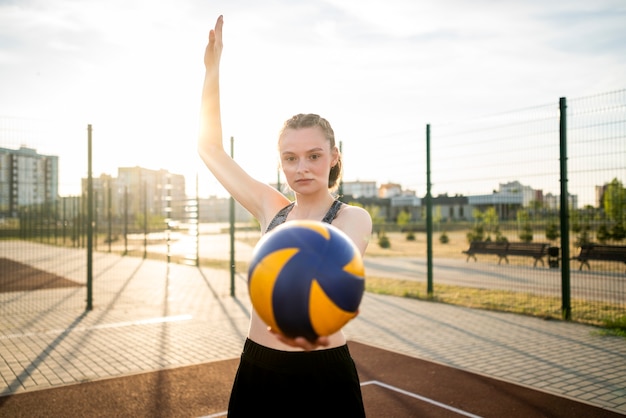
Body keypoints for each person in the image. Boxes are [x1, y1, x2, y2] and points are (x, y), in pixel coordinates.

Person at [198, 15, 372, 417]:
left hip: (323, 377)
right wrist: (212, 70)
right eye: (290, 158)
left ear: (334, 159)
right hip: (259, 369)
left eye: (314, 156)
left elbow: (329, 266)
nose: (302, 167)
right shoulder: (272, 209)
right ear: (281, 163)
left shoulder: (351, 217)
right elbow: (208, 147)